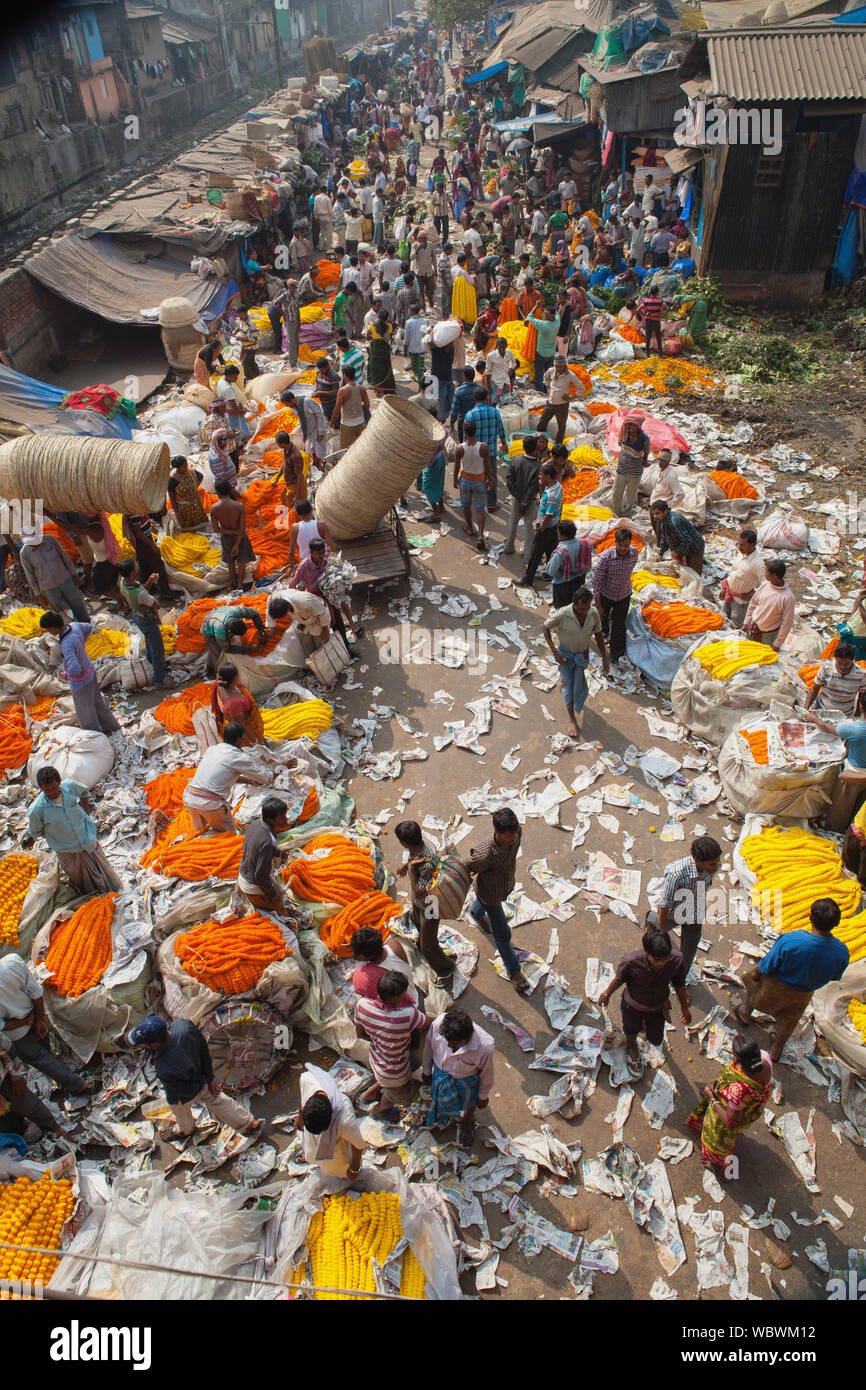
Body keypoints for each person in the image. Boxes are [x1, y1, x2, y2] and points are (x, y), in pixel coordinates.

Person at [734, 899, 849, 1062]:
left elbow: (768, 965)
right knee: (789, 1021)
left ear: (810, 917)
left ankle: (745, 1014)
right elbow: (834, 977)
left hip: (774, 987)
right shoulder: (842, 953)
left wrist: (756, 975)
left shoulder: (792, 940)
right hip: (803, 993)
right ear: (835, 924)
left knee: (754, 988)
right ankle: (776, 1049)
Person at [127, 1015, 262, 1140]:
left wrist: (201, 1086)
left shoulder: (165, 1069)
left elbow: (181, 1091)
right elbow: (203, 1047)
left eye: (144, 1044)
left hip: (186, 1090)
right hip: (201, 1071)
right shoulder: (183, 1026)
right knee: (218, 1099)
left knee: (181, 1111)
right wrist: (209, 1078)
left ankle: (185, 1131)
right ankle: (248, 1124)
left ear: (153, 1045)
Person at [0, 950, 93, 1101]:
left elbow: (2, 1024)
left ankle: (77, 1084)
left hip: (18, 1031)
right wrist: (38, 1020)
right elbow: (36, 991)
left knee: (39, 1058)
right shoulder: (12, 962)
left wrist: (27, 1022)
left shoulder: (11, 963)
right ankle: (62, 1076)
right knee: (43, 1050)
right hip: (34, 1013)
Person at [598, 928, 691, 1079]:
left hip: (657, 1009)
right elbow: (619, 979)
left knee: (655, 1038)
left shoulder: (677, 961)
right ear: (646, 952)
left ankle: (645, 1028)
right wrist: (607, 993)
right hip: (633, 1006)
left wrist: (684, 1008)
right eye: (657, 960)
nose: (662, 963)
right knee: (630, 1031)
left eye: (665, 958)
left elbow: (679, 986)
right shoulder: (631, 962)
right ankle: (632, 1047)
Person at [27, 765, 122, 895]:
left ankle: (114, 891)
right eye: (47, 790)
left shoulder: (69, 787)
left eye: (54, 788)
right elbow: (36, 831)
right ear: (41, 789)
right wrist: (55, 834)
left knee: (104, 871)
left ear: (59, 783)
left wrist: (85, 813)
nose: (52, 793)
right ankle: (93, 899)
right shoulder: (37, 810)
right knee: (83, 882)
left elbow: (84, 793)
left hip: (86, 838)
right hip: (67, 850)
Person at [686, 1035, 773, 1174]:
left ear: (739, 1062)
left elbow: (731, 1122)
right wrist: (719, 1082)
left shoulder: (738, 1090)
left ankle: (724, 1168)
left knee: (720, 1142)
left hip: (730, 1118)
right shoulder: (765, 1059)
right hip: (750, 1109)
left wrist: (713, 1099)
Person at [467, 808, 528, 994]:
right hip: (490, 893)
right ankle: (514, 971)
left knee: (479, 908)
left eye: (515, 834)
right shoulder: (485, 853)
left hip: (504, 885)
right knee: (502, 935)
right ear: (497, 832)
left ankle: (475, 913)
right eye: (509, 837)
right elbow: (469, 866)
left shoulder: (517, 832)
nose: (514, 840)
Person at [354, 971, 429, 1120]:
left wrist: (381, 1038)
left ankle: (369, 1094)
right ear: (394, 998)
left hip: (376, 1058)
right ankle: (380, 1111)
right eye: (403, 993)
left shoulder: (362, 1005)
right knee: (399, 1093)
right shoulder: (407, 1015)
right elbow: (426, 1023)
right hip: (396, 1071)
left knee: (384, 1080)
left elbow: (360, 1033)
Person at [393, 819, 456, 983]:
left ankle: (445, 969)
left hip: (430, 905)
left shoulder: (427, 863)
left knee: (428, 944)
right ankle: (428, 946)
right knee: (420, 926)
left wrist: (412, 870)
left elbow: (419, 891)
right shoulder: (421, 845)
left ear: (404, 843)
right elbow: (412, 859)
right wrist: (406, 865)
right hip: (420, 903)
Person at [38, 612, 121, 735]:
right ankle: (112, 726)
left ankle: (94, 736)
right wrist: (81, 644)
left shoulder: (66, 644)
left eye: (48, 629)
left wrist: (68, 673)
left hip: (81, 682)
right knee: (98, 702)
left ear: (53, 627)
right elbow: (88, 627)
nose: (48, 631)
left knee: (85, 713)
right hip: (90, 670)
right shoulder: (75, 626)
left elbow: (75, 668)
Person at [422, 1009, 494, 1146]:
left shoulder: (485, 1046)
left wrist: (483, 1095)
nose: (449, 1045)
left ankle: (467, 1121)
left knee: (469, 1103)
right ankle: (440, 1114)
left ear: (467, 1037)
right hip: (440, 1072)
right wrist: (426, 1070)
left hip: (467, 1080)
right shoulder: (438, 1024)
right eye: (447, 1041)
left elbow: (487, 1073)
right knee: (437, 1096)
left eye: (455, 1043)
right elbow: (428, 1046)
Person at [543, 586, 609, 736]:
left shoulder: (593, 614)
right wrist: (555, 651)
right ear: (574, 604)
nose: (584, 612)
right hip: (565, 656)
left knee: (578, 684)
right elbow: (545, 627)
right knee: (569, 687)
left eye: (587, 608)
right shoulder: (563, 614)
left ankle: (567, 687)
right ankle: (572, 719)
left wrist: (605, 658)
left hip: (582, 655)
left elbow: (598, 635)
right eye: (581, 609)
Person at [182, 722, 269, 833]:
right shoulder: (238, 756)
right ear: (238, 739)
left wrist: (248, 781)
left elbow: (223, 774)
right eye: (242, 739)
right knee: (228, 838)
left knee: (200, 835)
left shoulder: (212, 749)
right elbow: (265, 778)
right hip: (210, 804)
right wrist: (282, 768)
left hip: (191, 798)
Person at [656, 835, 722, 977]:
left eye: (717, 862)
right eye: (712, 864)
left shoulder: (714, 866)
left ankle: (679, 979)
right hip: (674, 912)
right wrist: (661, 933)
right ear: (698, 861)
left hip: (695, 911)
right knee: (654, 939)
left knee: (689, 950)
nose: (716, 867)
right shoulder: (676, 874)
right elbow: (665, 904)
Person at [295, 1063, 364, 1179]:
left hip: (336, 1147)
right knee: (310, 1152)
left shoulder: (344, 1120)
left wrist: (354, 1169)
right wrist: (300, 1115)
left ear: (332, 1112)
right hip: (314, 1132)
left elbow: (358, 1145)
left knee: (336, 1168)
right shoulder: (308, 1079)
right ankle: (317, 1161)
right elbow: (303, 1092)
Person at [19, 525, 89, 622]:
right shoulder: (24, 553)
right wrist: (38, 594)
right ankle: (69, 629)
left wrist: (74, 574)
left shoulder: (50, 540)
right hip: (48, 588)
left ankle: (86, 623)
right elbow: (30, 575)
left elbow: (64, 557)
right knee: (59, 611)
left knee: (77, 604)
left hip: (65, 579)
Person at [592, 526, 639, 665]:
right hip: (606, 595)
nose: (624, 548)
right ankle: (602, 636)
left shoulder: (634, 553)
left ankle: (615, 656)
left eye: (626, 545)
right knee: (601, 620)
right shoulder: (605, 558)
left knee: (619, 626)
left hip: (624, 595)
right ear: (615, 542)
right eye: (620, 545)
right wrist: (599, 606)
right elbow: (596, 583)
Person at [118, 558, 166, 687]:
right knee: (158, 649)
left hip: (138, 617)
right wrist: (152, 598)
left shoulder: (124, 582)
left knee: (150, 641)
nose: (138, 567)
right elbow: (157, 605)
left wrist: (149, 582)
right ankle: (159, 679)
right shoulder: (139, 594)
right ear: (132, 572)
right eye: (135, 566)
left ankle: (152, 663)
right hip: (147, 620)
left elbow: (143, 589)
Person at [238, 797, 290, 913]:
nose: (285, 820)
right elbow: (260, 876)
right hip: (252, 885)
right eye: (282, 817)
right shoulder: (268, 840)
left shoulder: (256, 824)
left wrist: (278, 853)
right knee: (281, 909)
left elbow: (257, 847)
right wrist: (273, 895)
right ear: (270, 820)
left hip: (243, 874)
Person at [351, 927, 419, 1006]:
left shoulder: (375, 975)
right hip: (414, 993)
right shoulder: (393, 944)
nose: (354, 956)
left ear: (370, 956)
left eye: (357, 954)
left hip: (408, 1007)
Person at [464, 388, 506, 513]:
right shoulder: (495, 412)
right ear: (487, 397)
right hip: (491, 451)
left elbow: (466, 435)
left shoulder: (470, 414)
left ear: (475, 399)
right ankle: (491, 504)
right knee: (491, 475)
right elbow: (501, 430)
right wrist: (504, 444)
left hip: (475, 451)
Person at [209, 479, 257, 590]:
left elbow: (216, 529)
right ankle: (241, 584)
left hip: (226, 538)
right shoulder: (239, 506)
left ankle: (233, 582)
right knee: (241, 563)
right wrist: (237, 543)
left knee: (230, 563)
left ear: (218, 492)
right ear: (230, 490)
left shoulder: (214, 508)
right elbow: (242, 528)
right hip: (241, 537)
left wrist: (230, 532)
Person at [453, 417, 492, 551]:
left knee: (466, 505)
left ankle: (469, 528)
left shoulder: (459, 448)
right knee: (480, 509)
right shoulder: (483, 447)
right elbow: (488, 466)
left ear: (464, 432)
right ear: (476, 431)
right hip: (479, 480)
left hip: (465, 480)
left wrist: (454, 480)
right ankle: (480, 535)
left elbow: (457, 466)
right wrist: (490, 480)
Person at [521, 462, 562, 586]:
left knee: (535, 555)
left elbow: (548, 516)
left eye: (541, 475)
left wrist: (540, 531)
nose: (539, 477)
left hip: (547, 527)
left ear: (548, 476)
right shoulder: (557, 486)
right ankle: (551, 574)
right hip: (554, 525)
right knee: (551, 551)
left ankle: (527, 579)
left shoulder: (551, 495)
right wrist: (541, 487)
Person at [201, 602, 266, 679]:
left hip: (218, 613)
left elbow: (255, 614)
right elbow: (227, 649)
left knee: (213, 650)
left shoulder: (237, 611)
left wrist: (261, 631)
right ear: (229, 631)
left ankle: (208, 668)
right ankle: (219, 676)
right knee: (217, 653)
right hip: (207, 626)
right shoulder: (220, 631)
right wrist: (250, 648)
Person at [122, 513, 178, 600]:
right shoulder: (134, 513)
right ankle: (166, 592)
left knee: (144, 565)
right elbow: (138, 533)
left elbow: (142, 524)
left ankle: (149, 589)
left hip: (143, 541)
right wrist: (152, 546)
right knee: (158, 565)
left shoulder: (137, 508)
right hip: (144, 542)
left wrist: (150, 527)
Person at [742, 559, 796, 650]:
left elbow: (787, 623)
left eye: (766, 572)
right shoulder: (765, 585)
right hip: (754, 628)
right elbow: (753, 603)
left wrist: (777, 644)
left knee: (762, 658)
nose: (764, 574)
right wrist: (746, 622)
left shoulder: (788, 598)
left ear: (774, 576)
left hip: (768, 635)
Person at [803, 642, 866, 717]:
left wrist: (856, 715)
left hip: (845, 715)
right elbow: (814, 689)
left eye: (846, 664)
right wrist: (805, 710)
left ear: (853, 660)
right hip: (822, 710)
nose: (843, 667)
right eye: (839, 663)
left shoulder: (861, 674)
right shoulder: (826, 668)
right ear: (835, 659)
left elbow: (861, 696)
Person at [211, 661, 264, 745]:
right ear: (236, 677)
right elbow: (241, 727)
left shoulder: (219, 684)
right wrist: (255, 742)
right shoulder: (234, 702)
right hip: (247, 735)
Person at [720, 527, 764, 628]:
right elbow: (733, 573)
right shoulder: (741, 554)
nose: (739, 547)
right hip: (729, 595)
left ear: (752, 545)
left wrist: (753, 593)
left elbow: (765, 585)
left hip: (740, 602)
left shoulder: (758, 564)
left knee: (736, 625)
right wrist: (724, 588)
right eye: (739, 544)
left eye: (743, 545)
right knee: (724, 619)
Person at [650, 500, 705, 574]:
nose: (655, 516)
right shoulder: (663, 521)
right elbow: (665, 538)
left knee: (694, 573)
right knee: (686, 569)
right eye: (654, 514)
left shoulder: (674, 522)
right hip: (684, 547)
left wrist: (676, 551)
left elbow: (688, 540)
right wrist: (660, 554)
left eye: (657, 513)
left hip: (695, 547)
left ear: (665, 511)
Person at [547, 519, 593, 608]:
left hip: (561, 584)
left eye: (558, 532)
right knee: (573, 607)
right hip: (577, 581)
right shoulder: (584, 543)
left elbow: (550, 571)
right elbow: (587, 564)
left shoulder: (560, 552)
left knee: (562, 609)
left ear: (563, 535)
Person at [612, 414, 650, 516]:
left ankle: (626, 515)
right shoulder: (624, 433)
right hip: (621, 470)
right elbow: (621, 445)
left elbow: (646, 452)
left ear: (639, 426)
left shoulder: (644, 438)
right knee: (616, 494)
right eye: (630, 425)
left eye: (634, 425)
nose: (631, 428)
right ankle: (616, 514)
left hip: (635, 473)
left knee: (631, 496)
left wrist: (644, 460)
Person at [283, 391, 329, 469]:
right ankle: (317, 467)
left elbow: (319, 415)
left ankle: (321, 468)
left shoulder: (307, 402)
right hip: (309, 432)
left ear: (291, 400)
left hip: (317, 430)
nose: (287, 406)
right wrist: (304, 434)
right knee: (312, 451)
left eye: (287, 404)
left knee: (320, 452)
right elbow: (301, 421)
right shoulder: (294, 409)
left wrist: (320, 432)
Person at [331, 365, 370, 450]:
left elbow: (337, 410)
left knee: (346, 449)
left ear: (344, 375)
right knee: (361, 447)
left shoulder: (342, 391)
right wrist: (359, 404)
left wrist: (331, 423)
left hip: (347, 424)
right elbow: (367, 405)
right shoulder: (361, 388)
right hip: (360, 422)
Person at [538, 354, 572, 443]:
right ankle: (539, 440)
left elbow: (581, 388)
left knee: (561, 426)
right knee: (542, 422)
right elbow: (545, 377)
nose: (558, 369)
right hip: (551, 403)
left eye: (560, 367)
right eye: (557, 366)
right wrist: (548, 387)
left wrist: (572, 398)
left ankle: (558, 445)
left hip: (562, 405)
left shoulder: (569, 375)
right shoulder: (551, 371)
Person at [216, 365, 253, 446]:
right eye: (235, 376)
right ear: (229, 375)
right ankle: (238, 445)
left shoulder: (221, 380)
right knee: (237, 431)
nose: (236, 378)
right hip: (232, 413)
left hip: (226, 410)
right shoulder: (228, 389)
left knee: (232, 429)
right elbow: (234, 407)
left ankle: (238, 443)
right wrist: (242, 411)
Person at [167, 456, 207, 530]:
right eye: (184, 466)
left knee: (201, 524)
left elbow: (200, 476)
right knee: (189, 528)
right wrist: (177, 513)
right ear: (178, 468)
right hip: (184, 508)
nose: (186, 467)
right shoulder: (173, 480)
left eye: (187, 464)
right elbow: (172, 498)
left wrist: (195, 486)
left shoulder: (191, 472)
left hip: (196, 504)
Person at [526, 307, 560, 390]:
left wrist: (536, 307)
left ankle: (540, 390)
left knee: (539, 373)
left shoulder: (542, 325)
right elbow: (557, 313)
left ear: (549, 316)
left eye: (546, 313)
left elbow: (529, 317)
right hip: (551, 353)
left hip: (541, 353)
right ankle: (551, 388)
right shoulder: (557, 322)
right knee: (550, 373)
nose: (544, 315)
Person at [367, 313, 396, 395]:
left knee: (376, 370)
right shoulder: (389, 326)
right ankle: (388, 387)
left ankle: (378, 389)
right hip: (384, 351)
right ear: (387, 318)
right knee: (386, 369)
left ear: (378, 317)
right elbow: (389, 338)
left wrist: (374, 338)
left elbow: (367, 337)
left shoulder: (372, 326)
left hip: (375, 351)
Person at [449, 365, 477, 441]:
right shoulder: (480, 388)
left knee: (464, 445)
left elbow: (454, 409)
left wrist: (451, 424)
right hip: (477, 420)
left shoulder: (459, 391)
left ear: (464, 376)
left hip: (463, 422)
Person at [485, 337, 516, 404]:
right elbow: (488, 373)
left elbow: (514, 362)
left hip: (506, 382)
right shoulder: (491, 356)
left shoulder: (509, 353)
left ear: (506, 346)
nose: (502, 349)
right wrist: (489, 388)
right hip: (497, 384)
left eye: (503, 347)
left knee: (506, 402)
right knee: (495, 402)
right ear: (497, 346)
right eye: (500, 347)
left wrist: (511, 369)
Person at [637, 288, 666, 354]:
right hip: (656, 321)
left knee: (648, 337)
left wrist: (644, 315)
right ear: (657, 293)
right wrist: (663, 315)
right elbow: (667, 308)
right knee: (658, 337)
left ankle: (647, 354)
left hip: (648, 321)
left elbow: (638, 309)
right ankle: (660, 354)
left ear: (650, 292)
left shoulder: (646, 301)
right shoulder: (660, 301)